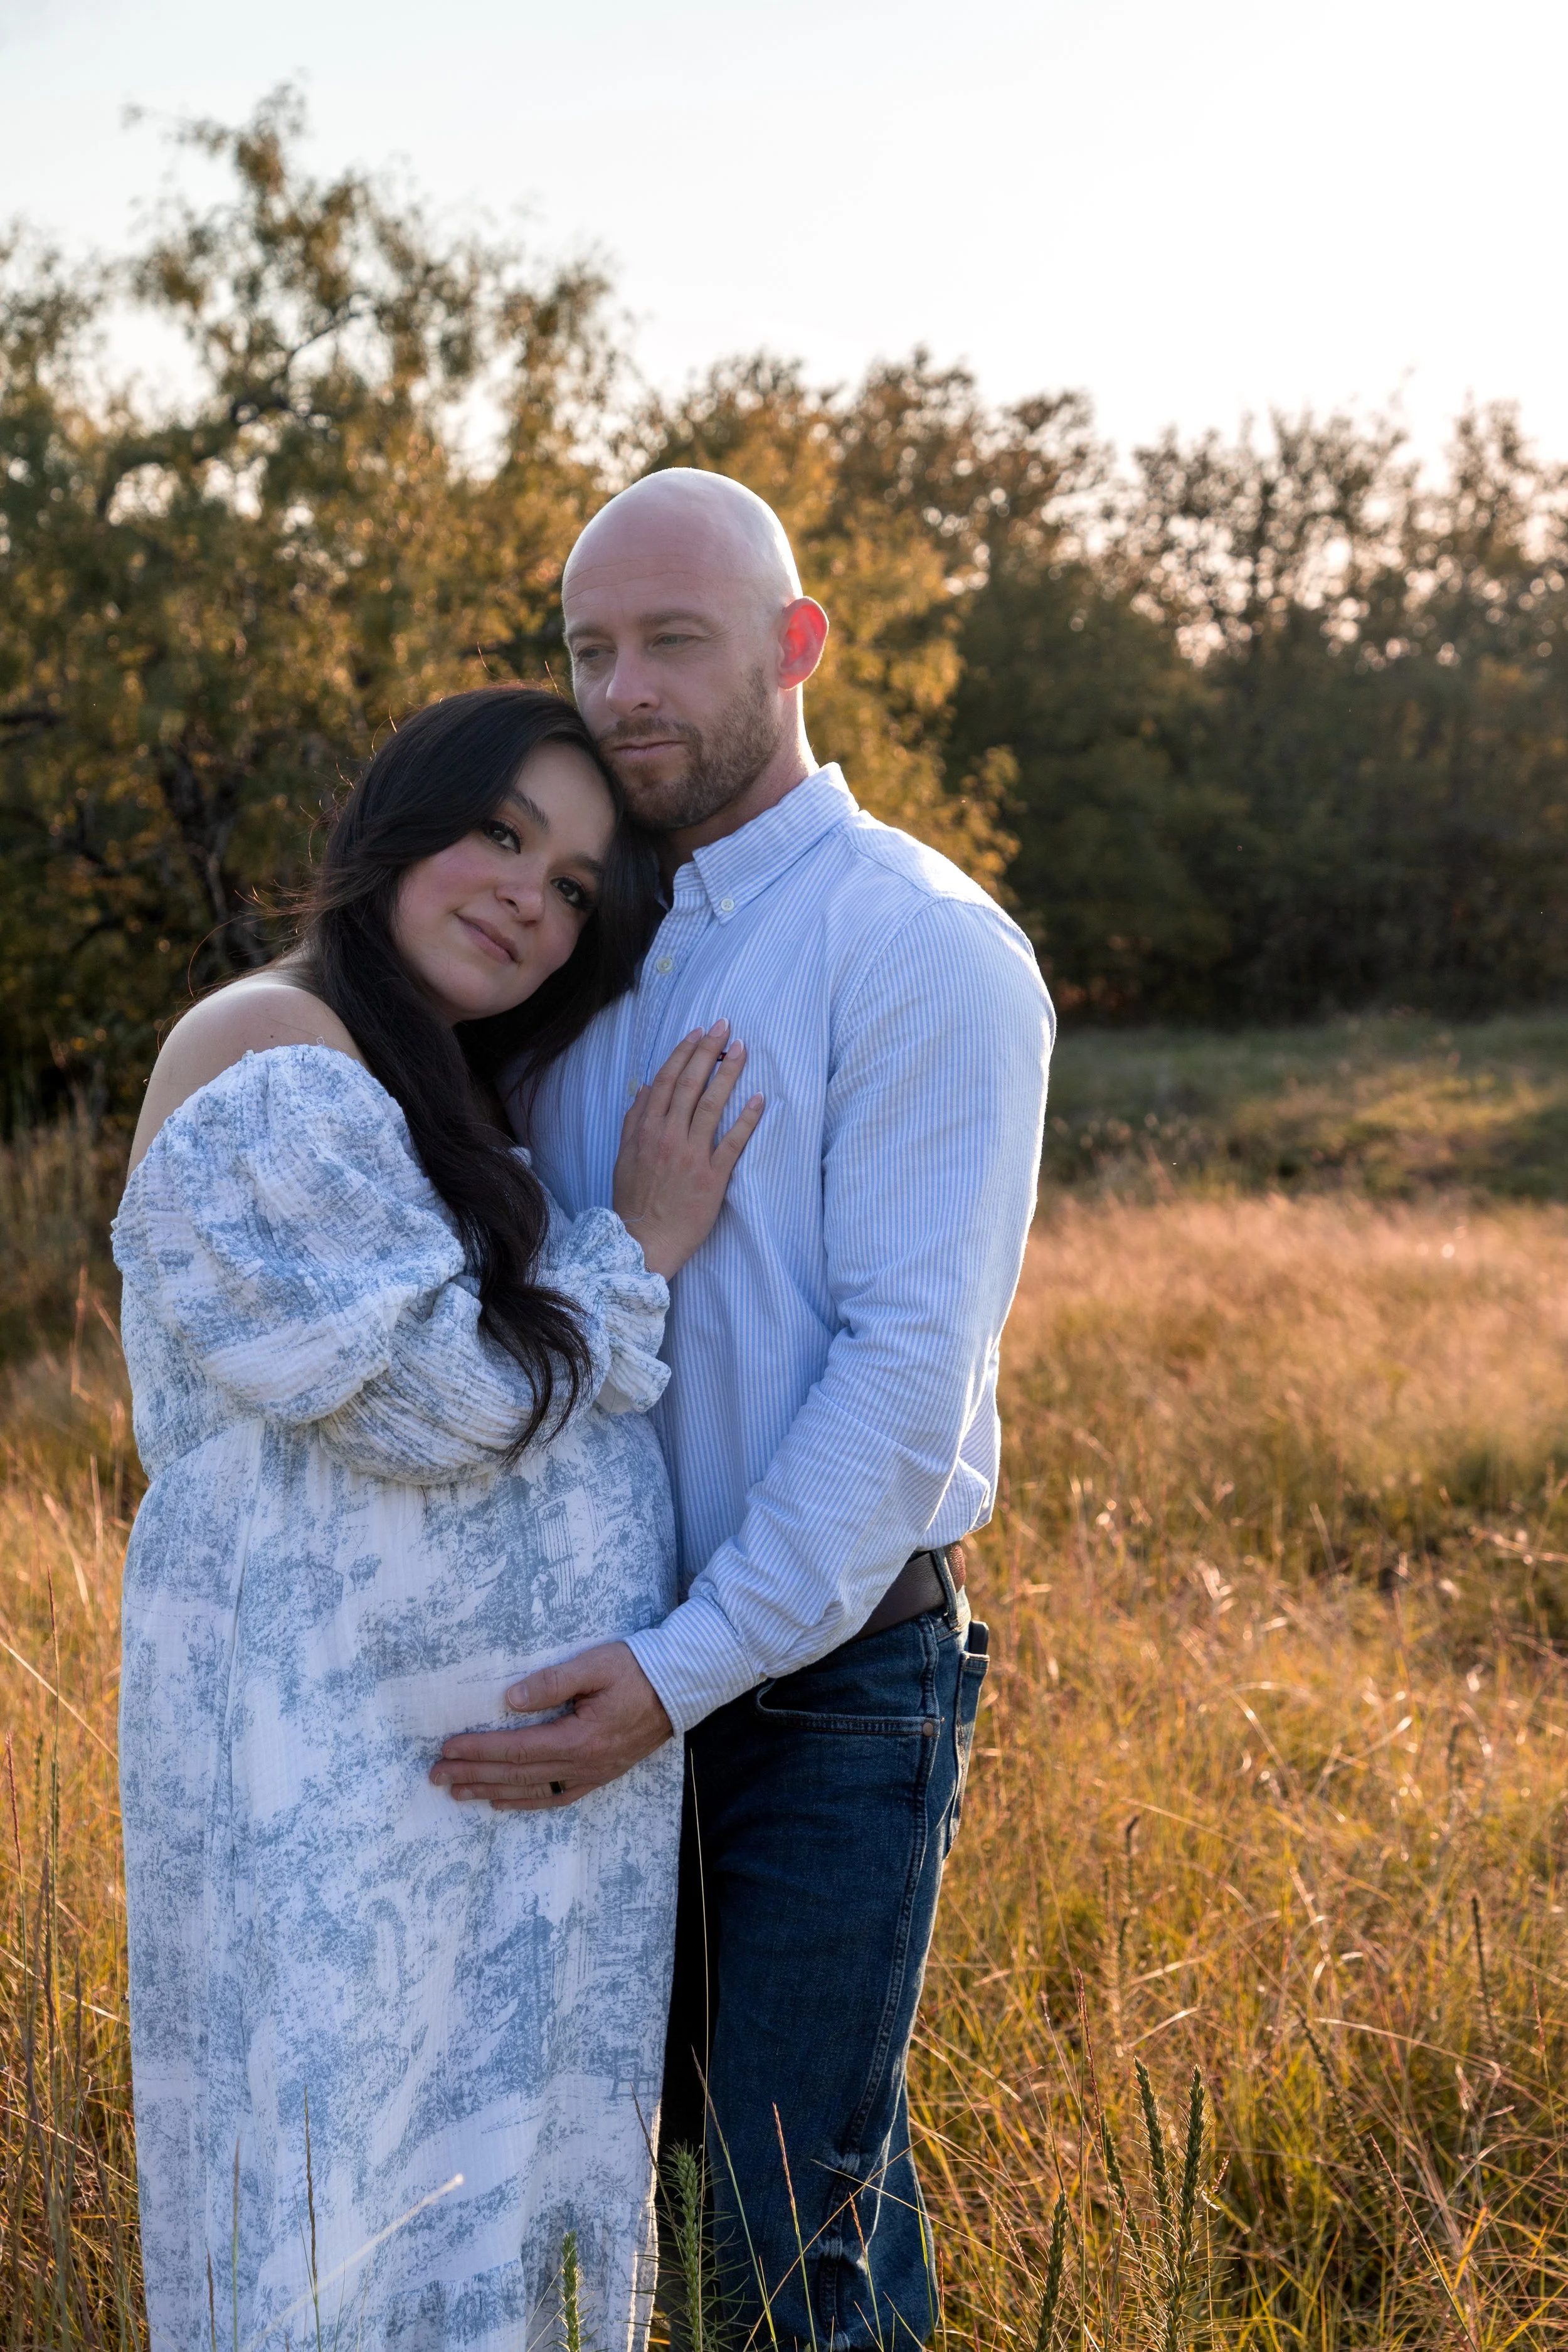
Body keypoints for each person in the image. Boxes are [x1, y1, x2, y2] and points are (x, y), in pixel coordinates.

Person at [433, 476, 1054, 2346]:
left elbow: (897, 1378)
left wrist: (686, 1666)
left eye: (671, 642)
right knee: (716, 2197)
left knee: (769, 2235)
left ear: (796, 649)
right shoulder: (574, 949)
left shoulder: (919, 944)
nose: (619, 689)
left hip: (829, 1685)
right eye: (587, 648)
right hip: (605, 1663)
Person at [113, 686, 762, 2352]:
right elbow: (429, 1399)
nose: (529, 901)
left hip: (460, 1823)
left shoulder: (412, 1079)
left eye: (569, 887)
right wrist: (643, 1238)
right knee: (335, 2244)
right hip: (329, 1795)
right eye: (501, 834)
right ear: (399, 825)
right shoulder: (272, 1050)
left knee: (466, 2256)